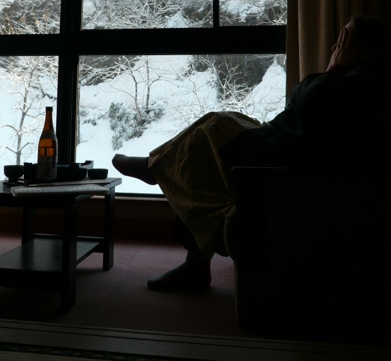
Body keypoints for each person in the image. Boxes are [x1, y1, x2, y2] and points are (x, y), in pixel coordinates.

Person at [112, 15, 391, 291]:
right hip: (276, 143)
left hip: (276, 159)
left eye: (343, 40)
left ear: (366, 48)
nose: (334, 48)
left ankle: (156, 171)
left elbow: (306, 100)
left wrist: (333, 68)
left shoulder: (365, 83)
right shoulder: (354, 79)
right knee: (220, 121)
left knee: (211, 131)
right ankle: (157, 171)